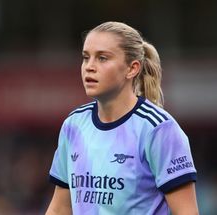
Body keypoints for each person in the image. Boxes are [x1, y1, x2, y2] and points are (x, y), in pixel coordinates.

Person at [45, 21, 199, 215]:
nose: (89, 67)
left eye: (102, 58)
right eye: (86, 58)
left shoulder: (159, 129)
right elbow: (60, 209)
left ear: (132, 69)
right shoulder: (73, 125)